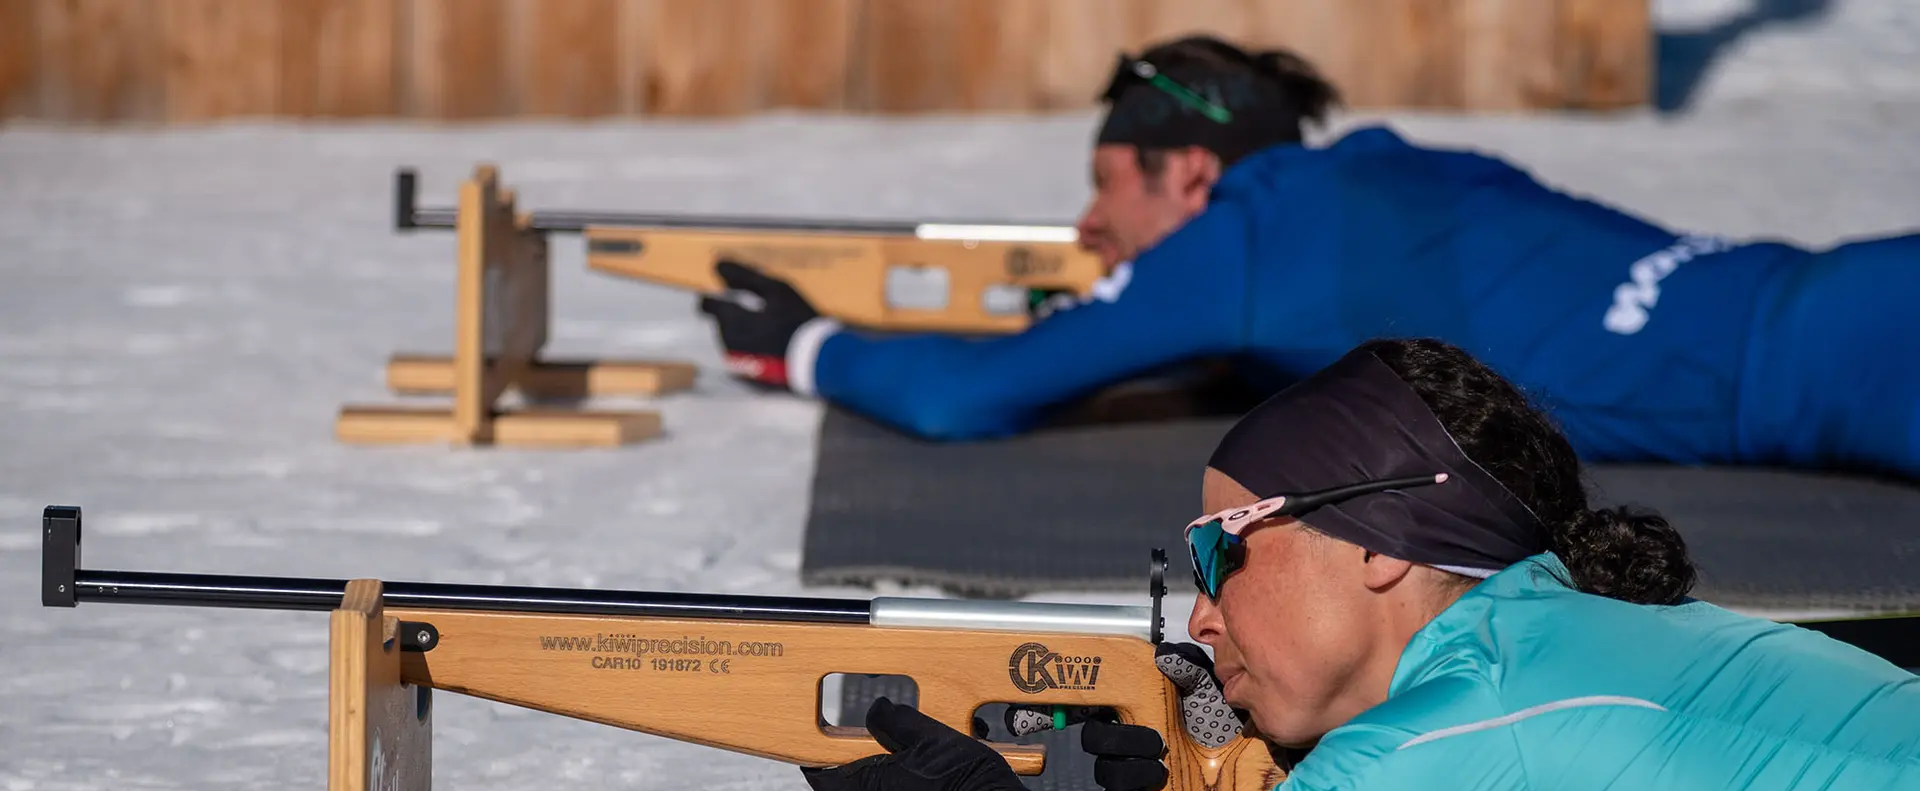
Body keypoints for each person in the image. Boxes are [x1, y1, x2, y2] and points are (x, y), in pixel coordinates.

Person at [802, 336, 1920, 791]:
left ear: (1382, 540)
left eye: (1218, 550)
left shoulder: (1472, 722)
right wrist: (1270, 790)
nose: (1201, 607)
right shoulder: (1606, 632)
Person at [700, 36, 1920, 478]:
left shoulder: (1243, 234)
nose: (1085, 227)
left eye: (1103, 183)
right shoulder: (1400, 164)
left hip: (1831, 376)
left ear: (1185, 170)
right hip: (1847, 290)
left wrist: (803, 341)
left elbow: (963, 398)